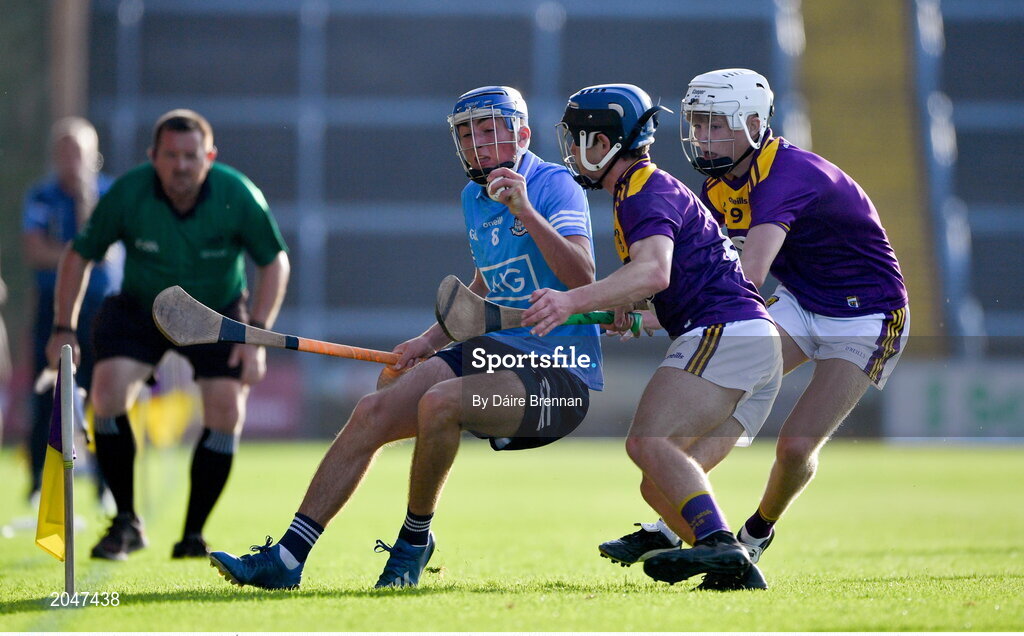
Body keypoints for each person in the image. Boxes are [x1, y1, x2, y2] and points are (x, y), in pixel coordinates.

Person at [206, 85, 603, 590]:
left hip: (559, 376)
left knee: (439, 403)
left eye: (487, 129)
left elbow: (584, 280)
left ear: (522, 134)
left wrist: (525, 209)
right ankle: (286, 557)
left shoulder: (554, 185)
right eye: (465, 133)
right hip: (493, 351)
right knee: (373, 411)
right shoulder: (472, 197)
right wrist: (426, 341)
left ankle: (414, 542)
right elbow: (486, 287)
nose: (475, 142)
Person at [598, 69, 909, 585]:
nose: (703, 137)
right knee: (684, 440)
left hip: (867, 315)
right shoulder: (716, 186)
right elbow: (720, 279)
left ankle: (755, 535)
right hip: (800, 302)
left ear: (753, 124)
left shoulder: (785, 174)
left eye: (717, 125)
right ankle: (679, 528)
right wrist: (653, 309)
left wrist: (659, 311)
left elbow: (749, 276)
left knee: (794, 447)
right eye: (697, 124)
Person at [522, 83, 783, 590]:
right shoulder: (642, 189)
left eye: (581, 139)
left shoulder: (643, 190)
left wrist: (573, 300)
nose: (574, 151)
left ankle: (718, 546)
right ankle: (738, 575)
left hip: (726, 333)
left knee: (647, 441)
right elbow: (670, 283)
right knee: (661, 485)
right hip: (749, 345)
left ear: (607, 142)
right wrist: (630, 308)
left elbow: (654, 273)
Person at [46, 109, 290, 560]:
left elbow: (274, 261)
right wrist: (64, 326)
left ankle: (193, 536)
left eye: (191, 156)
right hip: (142, 309)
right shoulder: (128, 193)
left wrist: (258, 334)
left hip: (218, 311)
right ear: (153, 156)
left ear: (209, 157)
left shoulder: (238, 194)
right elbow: (78, 255)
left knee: (226, 409)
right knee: (108, 391)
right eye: (171, 155)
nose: (181, 165)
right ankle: (125, 522)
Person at [23, 116, 121, 504]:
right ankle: (35, 483)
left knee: (105, 395)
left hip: (101, 308)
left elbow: (105, 253)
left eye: (77, 151)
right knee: (46, 392)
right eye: (62, 151)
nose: (69, 160)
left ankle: (106, 485)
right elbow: (34, 250)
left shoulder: (108, 194)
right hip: (52, 308)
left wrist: (84, 203)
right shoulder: (41, 196)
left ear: (93, 156)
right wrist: (77, 259)